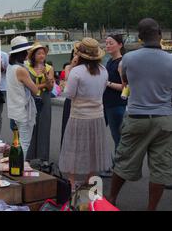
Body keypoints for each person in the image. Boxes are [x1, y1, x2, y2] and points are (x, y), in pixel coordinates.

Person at [109, 18, 172, 211]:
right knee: (160, 168)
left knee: (124, 160)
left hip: (137, 115)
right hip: (164, 119)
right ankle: (150, 208)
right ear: (160, 34)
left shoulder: (129, 58)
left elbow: (125, 82)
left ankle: (111, 199)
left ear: (139, 37)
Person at [59, 38, 111, 191]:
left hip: (79, 115)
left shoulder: (77, 71)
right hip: (97, 115)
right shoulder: (103, 70)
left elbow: (69, 94)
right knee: (94, 148)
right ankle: (89, 179)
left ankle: (72, 181)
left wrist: (68, 74)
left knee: (74, 147)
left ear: (79, 55)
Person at [6, 37, 39, 157]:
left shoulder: (11, 67)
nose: (28, 53)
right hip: (23, 110)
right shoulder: (21, 70)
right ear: (22, 53)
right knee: (24, 143)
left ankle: (14, 165)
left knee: (17, 141)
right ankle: (18, 167)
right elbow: (35, 90)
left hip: (14, 109)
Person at [26, 43, 54, 161]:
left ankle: (42, 157)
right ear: (33, 56)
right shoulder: (27, 68)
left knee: (44, 126)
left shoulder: (49, 68)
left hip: (44, 98)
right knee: (31, 125)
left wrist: (46, 76)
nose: (42, 55)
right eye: (39, 53)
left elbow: (50, 87)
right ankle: (29, 156)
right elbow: (29, 86)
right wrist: (43, 84)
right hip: (31, 98)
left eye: (43, 53)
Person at [103, 35, 127, 150]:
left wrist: (107, 83)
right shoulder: (109, 61)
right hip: (106, 104)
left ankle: (119, 165)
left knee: (118, 137)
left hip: (116, 105)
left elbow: (125, 87)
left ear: (120, 45)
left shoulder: (121, 63)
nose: (107, 45)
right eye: (106, 43)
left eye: (111, 43)